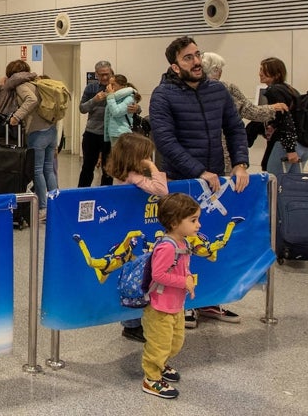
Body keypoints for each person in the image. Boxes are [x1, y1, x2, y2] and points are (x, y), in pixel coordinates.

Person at [149, 36, 249, 329]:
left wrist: (241, 163)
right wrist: (198, 171)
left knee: (207, 242)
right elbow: (165, 141)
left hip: (213, 181)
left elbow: (234, 128)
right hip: (182, 182)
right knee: (180, 246)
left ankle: (208, 301)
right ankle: (185, 304)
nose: (196, 62)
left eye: (197, 55)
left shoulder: (217, 91)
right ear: (174, 66)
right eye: (188, 58)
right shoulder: (162, 95)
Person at [105, 132, 169, 343]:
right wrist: (152, 167)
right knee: (136, 277)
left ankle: (133, 322)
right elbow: (162, 190)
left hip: (128, 233)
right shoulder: (134, 177)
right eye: (146, 156)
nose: (149, 158)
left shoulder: (121, 175)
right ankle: (132, 324)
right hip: (132, 235)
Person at [141, 193, 198, 400]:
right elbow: (158, 275)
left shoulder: (184, 244)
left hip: (176, 305)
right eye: (193, 220)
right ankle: (151, 378)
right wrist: (183, 282)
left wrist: (189, 279)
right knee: (158, 345)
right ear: (174, 223)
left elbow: (185, 269)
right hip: (159, 308)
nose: (198, 225)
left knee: (175, 342)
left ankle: (162, 364)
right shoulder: (167, 247)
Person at [202, 52, 288, 172]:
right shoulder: (226, 88)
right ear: (216, 69)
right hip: (222, 151)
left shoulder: (190, 90)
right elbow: (249, 110)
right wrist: (273, 108)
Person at [2, 59, 57, 221]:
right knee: (48, 169)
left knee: (37, 170)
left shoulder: (21, 85)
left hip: (37, 131)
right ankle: (55, 204)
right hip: (51, 129)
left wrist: (16, 117)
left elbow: (31, 100)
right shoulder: (37, 81)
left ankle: (44, 207)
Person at [259, 57, 308, 175]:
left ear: (276, 74)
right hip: (302, 145)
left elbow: (286, 119)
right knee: (293, 186)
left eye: (264, 70)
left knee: (273, 184)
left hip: (286, 145)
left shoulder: (273, 90)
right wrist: (273, 125)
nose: (260, 73)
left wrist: (290, 149)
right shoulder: (290, 89)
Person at [78, 60, 114, 187]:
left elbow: (133, 100)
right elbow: (82, 108)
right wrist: (94, 100)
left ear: (111, 72)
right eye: (101, 74)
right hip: (92, 133)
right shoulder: (91, 88)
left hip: (110, 135)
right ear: (96, 74)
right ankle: (81, 195)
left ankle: (105, 197)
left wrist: (136, 108)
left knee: (108, 170)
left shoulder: (118, 86)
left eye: (107, 74)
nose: (105, 77)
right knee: (87, 167)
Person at [104, 74, 139, 146]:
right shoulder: (115, 98)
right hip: (114, 132)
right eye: (109, 84)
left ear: (122, 86)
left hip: (122, 133)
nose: (109, 87)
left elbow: (116, 112)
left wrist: (110, 96)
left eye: (113, 84)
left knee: (120, 156)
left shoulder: (129, 98)